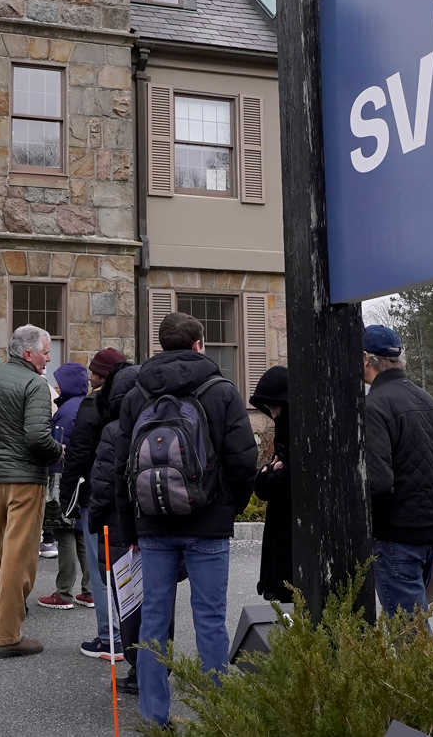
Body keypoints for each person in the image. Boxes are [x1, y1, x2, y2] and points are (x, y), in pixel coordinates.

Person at [111, 311, 258, 728]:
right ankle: (216, 714)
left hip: (153, 523)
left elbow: (122, 464)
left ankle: (155, 718)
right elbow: (243, 459)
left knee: (154, 618)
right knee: (210, 617)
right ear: (199, 344)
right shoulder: (221, 390)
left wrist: (130, 527)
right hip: (208, 521)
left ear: (161, 345)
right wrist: (230, 508)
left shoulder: (137, 393)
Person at [0, 324, 64, 658]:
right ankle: (7, 636)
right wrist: (59, 451)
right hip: (24, 480)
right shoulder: (36, 384)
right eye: (46, 352)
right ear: (29, 354)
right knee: (18, 556)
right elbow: (38, 438)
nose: (49, 358)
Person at [360, 324, 433, 616]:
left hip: (397, 534)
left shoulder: (374, 405)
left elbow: (378, 482)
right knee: (413, 624)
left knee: (410, 634)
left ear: (365, 358)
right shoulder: (428, 400)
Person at [65, 348, 134, 660]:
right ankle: (133, 637)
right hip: (132, 495)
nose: (89, 374)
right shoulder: (136, 401)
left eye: (93, 370)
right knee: (128, 568)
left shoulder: (92, 403)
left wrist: (67, 490)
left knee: (101, 568)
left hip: (97, 493)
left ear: (101, 375)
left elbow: (78, 451)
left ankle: (109, 638)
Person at [38, 361, 92, 610]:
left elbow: (57, 446)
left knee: (64, 532)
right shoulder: (87, 405)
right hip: (86, 478)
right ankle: (90, 591)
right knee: (82, 534)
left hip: (63, 477)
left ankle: (63, 593)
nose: (56, 386)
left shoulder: (67, 411)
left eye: (60, 381)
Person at [250, 365, 293, 602]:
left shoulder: (293, 426)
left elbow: (289, 475)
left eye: (274, 407)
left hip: (290, 525)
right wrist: (268, 475)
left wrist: (268, 476)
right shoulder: (284, 426)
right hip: (283, 522)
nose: (272, 414)